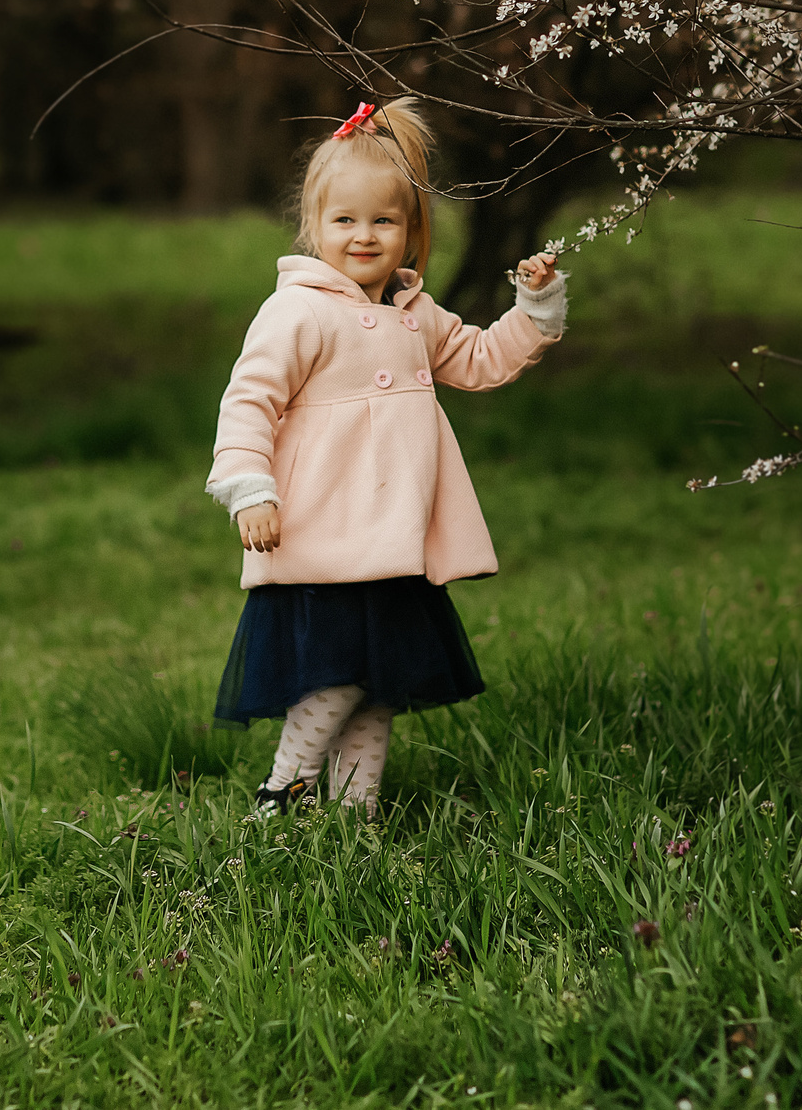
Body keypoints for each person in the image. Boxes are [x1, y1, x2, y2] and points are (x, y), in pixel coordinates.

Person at [206, 97, 568, 819]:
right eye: (345, 220)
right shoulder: (298, 311)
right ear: (315, 226)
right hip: (324, 534)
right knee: (335, 673)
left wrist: (535, 310)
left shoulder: (416, 314)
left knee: (378, 683)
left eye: (384, 221)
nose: (364, 236)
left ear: (411, 231)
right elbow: (248, 401)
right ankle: (283, 790)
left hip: (396, 539)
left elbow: (482, 358)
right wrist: (251, 489)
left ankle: (353, 815)